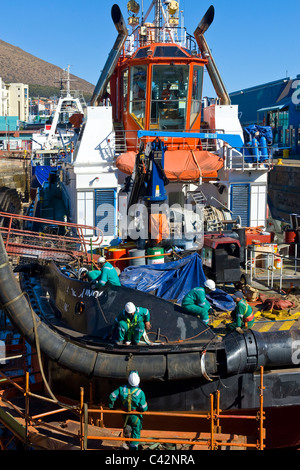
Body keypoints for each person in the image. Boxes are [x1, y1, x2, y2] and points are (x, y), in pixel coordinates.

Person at [108, 370, 148, 450]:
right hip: (135, 416)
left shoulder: (121, 389)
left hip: (125, 414)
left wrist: (111, 406)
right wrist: (142, 408)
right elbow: (144, 408)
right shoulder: (140, 393)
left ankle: (127, 430)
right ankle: (133, 448)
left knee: (128, 424)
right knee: (136, 432)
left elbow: (111, 396)